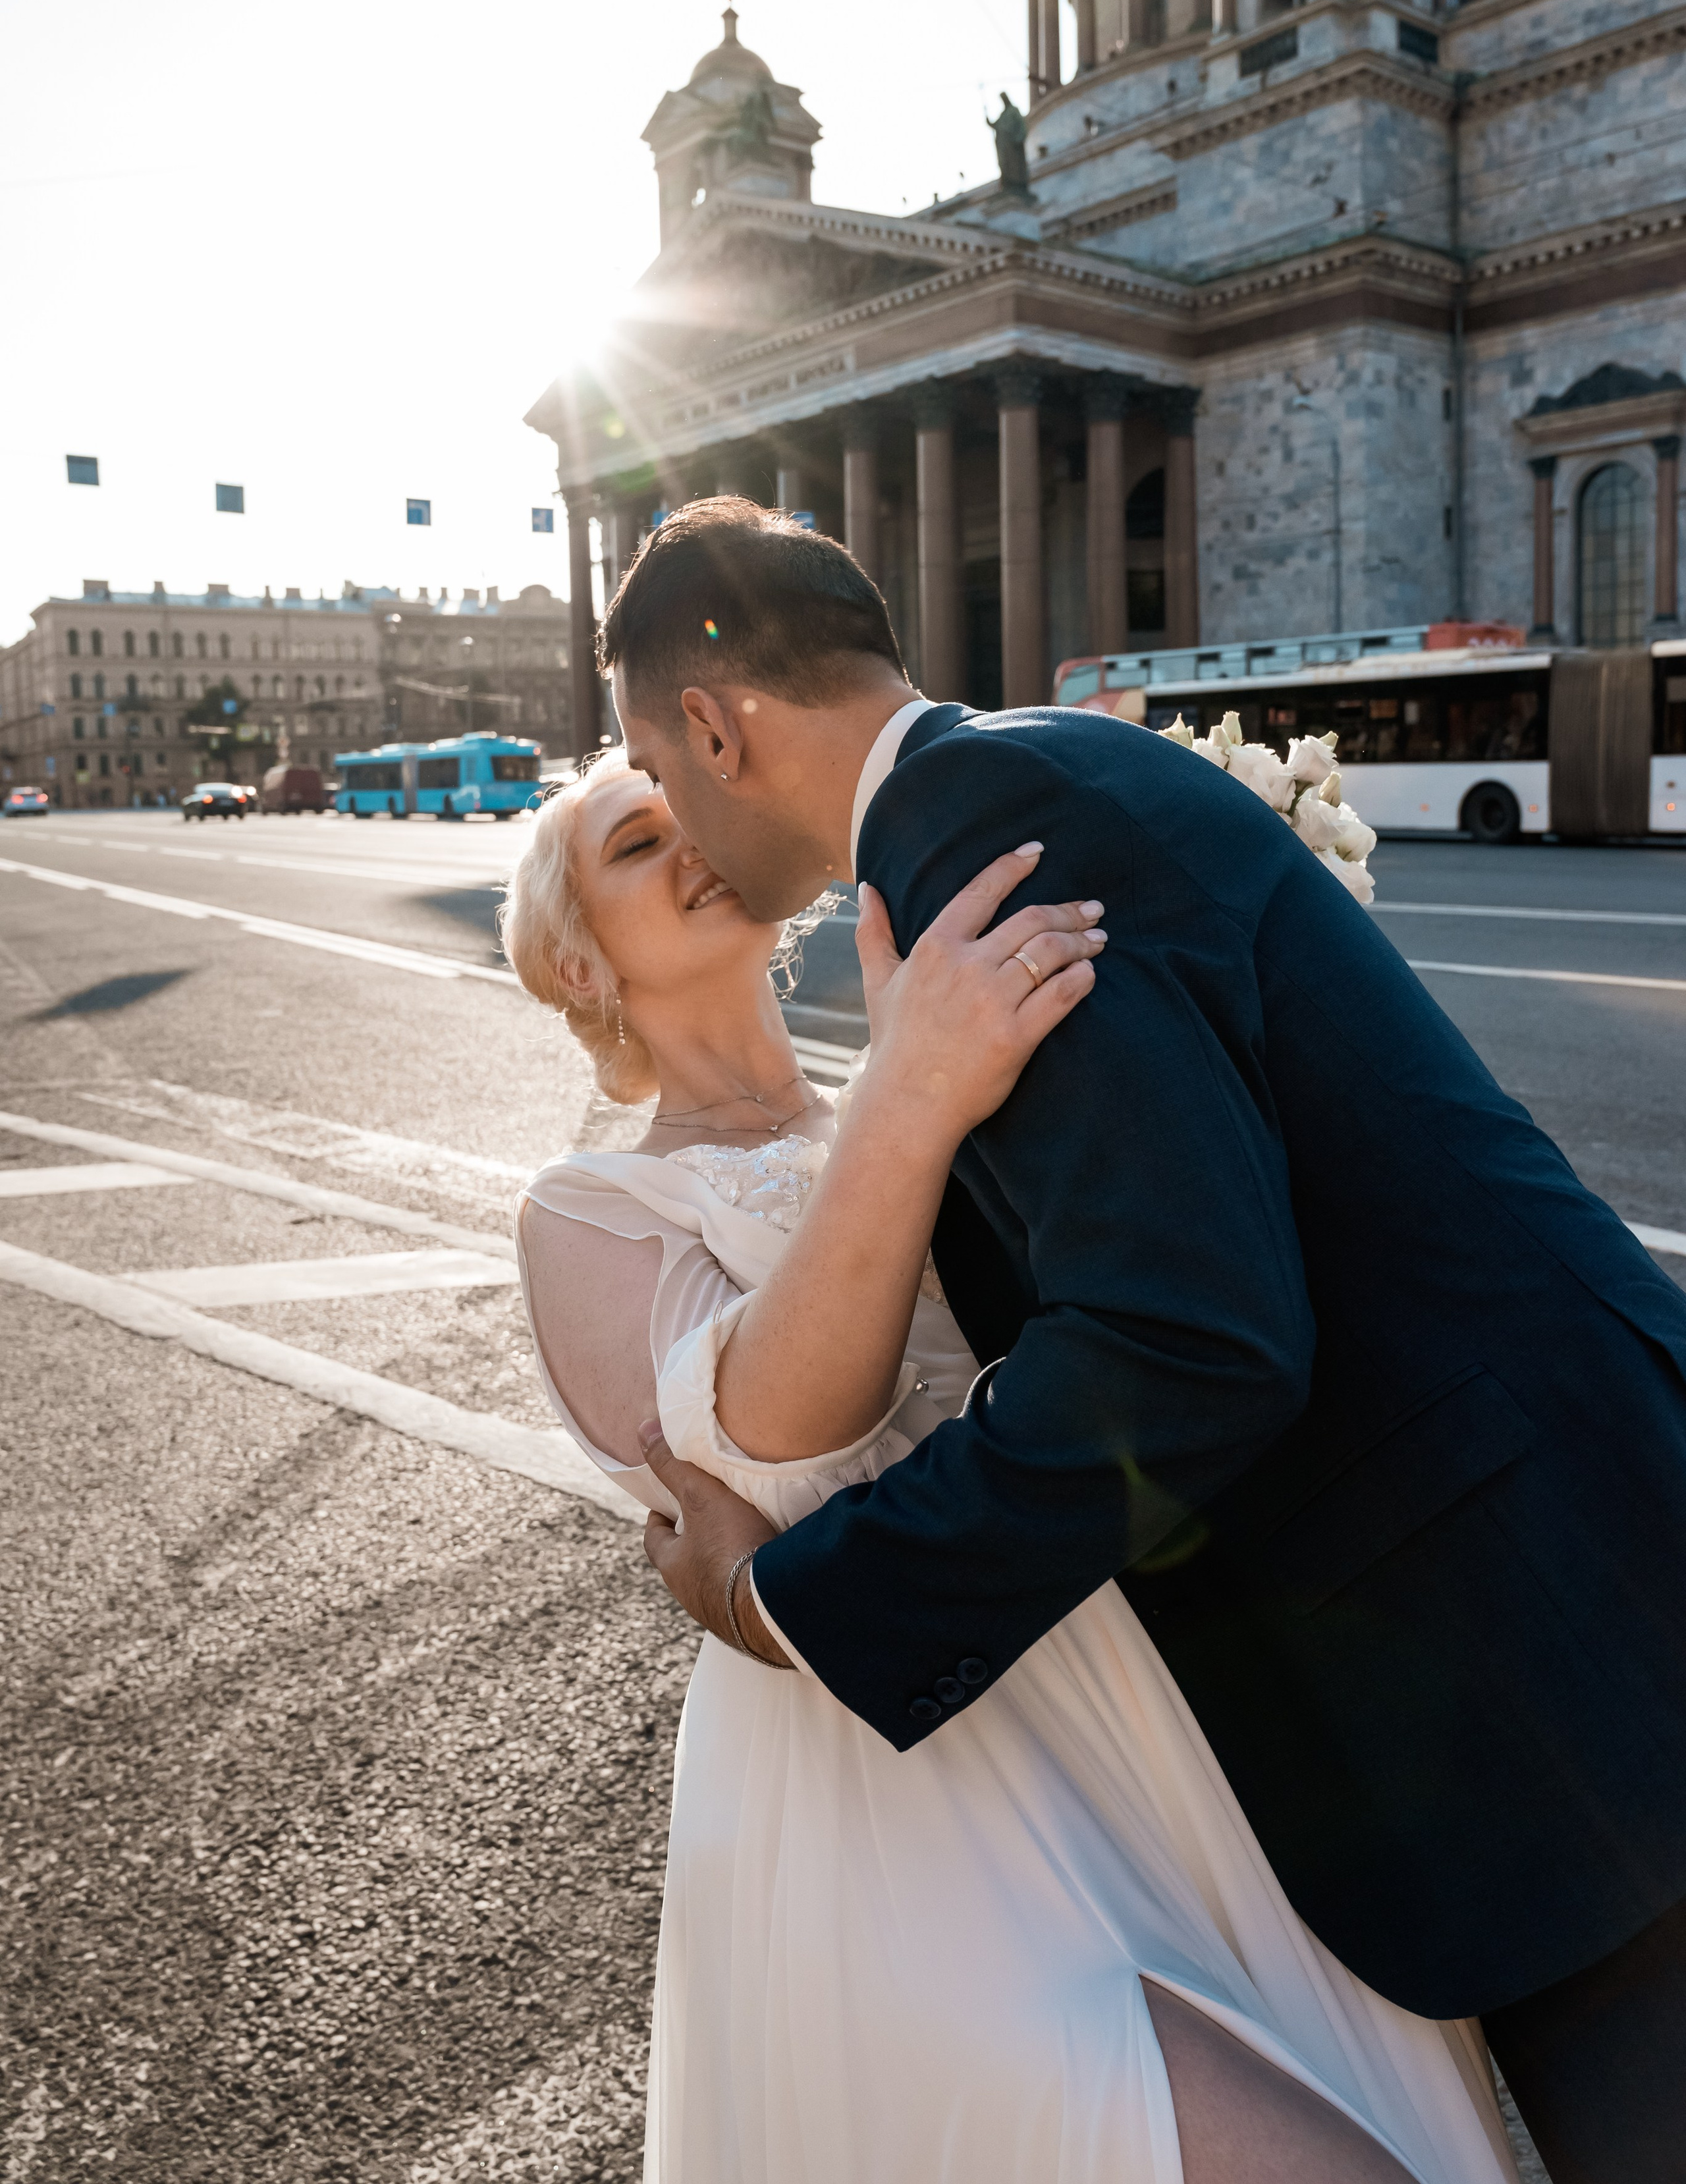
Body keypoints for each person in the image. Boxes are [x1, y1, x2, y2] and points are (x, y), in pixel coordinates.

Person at [599, 497, 1686, 2184]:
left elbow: (1189, 1338)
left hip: (1553, 1645)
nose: (667, 811)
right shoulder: (1022, 776)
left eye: (653, 767)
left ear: (720, 722)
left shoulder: (984, 824)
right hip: (1576, 1564)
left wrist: (787, 1600)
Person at [501, 749, 1519, 2183]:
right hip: (893, 1799)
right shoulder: (588, 1212)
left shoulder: (922, 1055)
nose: (688, 839)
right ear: (575, 958)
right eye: (632, 841)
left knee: (1381, 2107)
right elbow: (767, 1436)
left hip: (1148, 1702)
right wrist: (910, 1103)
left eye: (689, 807)